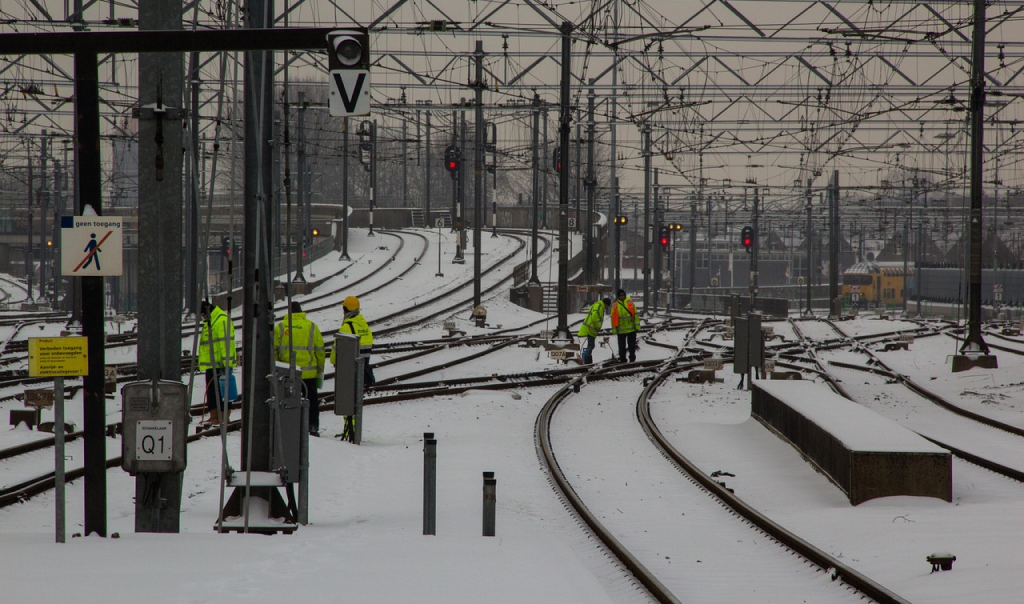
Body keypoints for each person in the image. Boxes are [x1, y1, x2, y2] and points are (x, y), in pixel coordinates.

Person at [274, 301, 326, 436]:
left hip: (287, 374)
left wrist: (276, 368)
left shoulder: (280, 327)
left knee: (285, 402)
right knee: (312, 402)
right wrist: (320, 370)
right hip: (309, 374)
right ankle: (312, 428)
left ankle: (288, 429)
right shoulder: (311, 327)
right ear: (301, 311)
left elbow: (273, 351)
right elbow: (320, 351)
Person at [198, 300, 236, 426]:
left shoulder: (221, 320)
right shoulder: (211, 321)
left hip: (221, 365)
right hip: (211, 364)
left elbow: (226, 344)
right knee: (212, 393)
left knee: (223, 392)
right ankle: (214, 416)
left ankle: (223, 417)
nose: (203, 317)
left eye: (203, 314)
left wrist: (227, 365)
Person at [331, 295, 375, 389]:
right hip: (363, 370)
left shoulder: (346, 327)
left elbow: (336, 351)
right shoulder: (365, 326)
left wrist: (333, 361)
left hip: (349, 372)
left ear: (345, 310)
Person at [577, 297, 611, 364]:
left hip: (592, 329)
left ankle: (587, 359)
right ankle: (586, 360)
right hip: (590, 329)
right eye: (607, 306)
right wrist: (598, 325)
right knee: (590, 345)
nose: (606, 307)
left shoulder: (599, 306)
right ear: (605, 304)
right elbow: (594, 316)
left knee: (591, 345)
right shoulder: (599, 306)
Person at [610, 289, 638, 363]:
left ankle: (632, 358)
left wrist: (637, 326)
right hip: (621, 329)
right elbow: (613, 318)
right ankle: (623, 359)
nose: (622, 297)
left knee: (631, 346)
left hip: (631, 329)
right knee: (621, 346)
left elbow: (635, 315)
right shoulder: (615, 305)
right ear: (618, 296)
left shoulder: (630, 303)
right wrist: (614, 330)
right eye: (620, 295)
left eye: (623, 295)